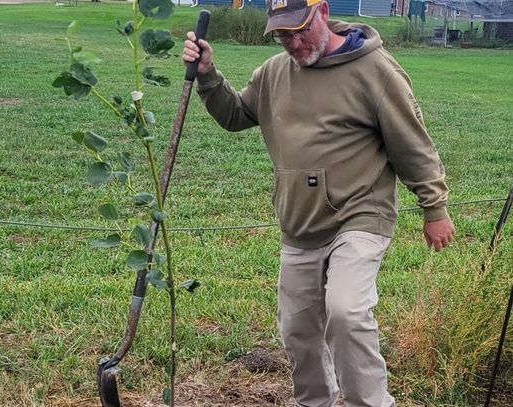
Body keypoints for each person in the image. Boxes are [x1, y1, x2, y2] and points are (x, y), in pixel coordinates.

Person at [182, 0, 455, 406]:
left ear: (323, 13)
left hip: (361, 214)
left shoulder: (376, 71)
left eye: (299, 30)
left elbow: (412, 145)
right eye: (281, 35)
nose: (291, 43)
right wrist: (207, 76)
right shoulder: (274, 73)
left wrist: (434, 208)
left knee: (346, 312)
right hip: (300, 222)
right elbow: (236, 114)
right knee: (297, 328)